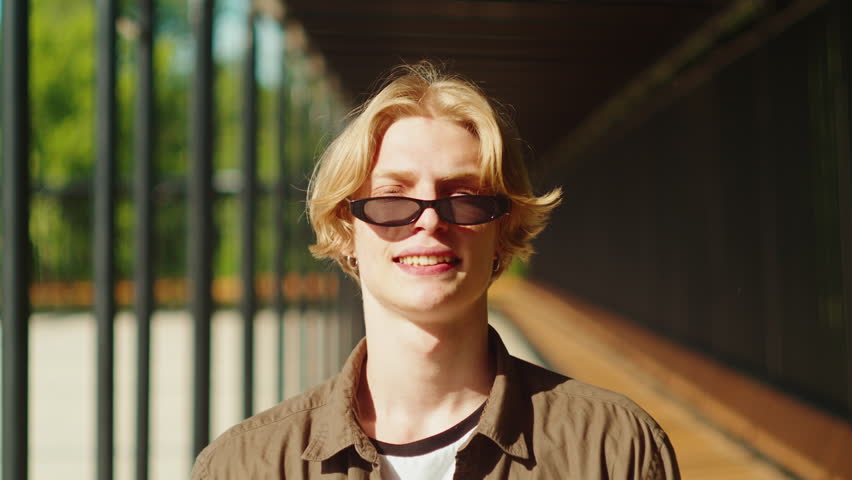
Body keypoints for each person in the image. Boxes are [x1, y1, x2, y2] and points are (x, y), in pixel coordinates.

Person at [191, 62, 680, 479]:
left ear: (501, 230)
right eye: (391, 199)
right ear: (346, 228)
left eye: (463, 199)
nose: (429, 221)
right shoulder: (247, 465)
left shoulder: (611, 450)